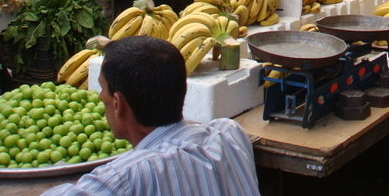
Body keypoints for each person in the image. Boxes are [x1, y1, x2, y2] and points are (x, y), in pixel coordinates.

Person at [42, 36, 259, 196]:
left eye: (102, 89)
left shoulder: (124, 177)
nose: (100, 97)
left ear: (118, 104)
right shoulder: (229, 134)